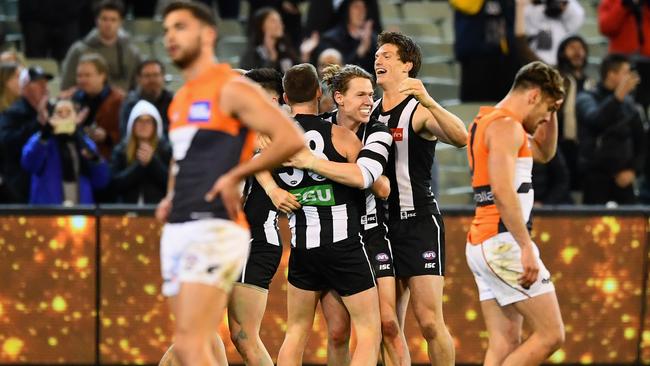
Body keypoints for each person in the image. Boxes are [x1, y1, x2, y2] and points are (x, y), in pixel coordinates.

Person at [156, 2, 303, 366]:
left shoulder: (235, 97)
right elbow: (184, 160)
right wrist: (172, 196)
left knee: (212, 336)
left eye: (180, 27)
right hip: (190, 226)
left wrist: (239, 175)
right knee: (203, 337)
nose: (170, 37)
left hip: (230, 231)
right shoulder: (183, 101)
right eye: (166, 29)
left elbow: (288, 139)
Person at [286, 63, 406, 365]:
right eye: (362, 95)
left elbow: (373, 183)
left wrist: (310, 161)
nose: (370, 101)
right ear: (338, 98)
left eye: (372, 94)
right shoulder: (323, 125)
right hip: (334, 238)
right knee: (338, 331)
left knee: (388, 323)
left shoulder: (378, 132)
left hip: (371, 233)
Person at [372, 31, 468, 365]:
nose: (378, 60)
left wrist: (429, 100)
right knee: (387, 326)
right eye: (377, 55)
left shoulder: (418, 110)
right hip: (379, 228)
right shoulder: (368, 112)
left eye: (387, 55)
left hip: (418, 224)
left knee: (429, 322)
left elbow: (461, 137)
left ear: (407, 65)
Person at [466, 61, 566, 365]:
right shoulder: (506, 127)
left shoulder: (487, 122)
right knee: (551, 334)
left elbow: (545, 153)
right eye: (547, 108)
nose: (546, 117)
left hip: (484, 242)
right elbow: (502, 190)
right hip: (503, 242)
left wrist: (554, 111)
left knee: (505, 339)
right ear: (533, 96)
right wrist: (525, 247)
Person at [227, 68, 286, 366]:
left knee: (245, 336)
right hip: (240, 240)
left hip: (256, 240)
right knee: (236, 335)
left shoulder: (279, 134)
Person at [576, 53, 646, 205]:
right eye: (626, 72)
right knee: (593, 227)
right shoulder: (586, 97)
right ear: (611, 74)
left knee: (631, 226)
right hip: (595, 178)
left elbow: (641, 142)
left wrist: (633, 171)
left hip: (624, 178)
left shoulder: (630, 105)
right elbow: (595, 120)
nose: (631, 77)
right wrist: (618, 96)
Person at [21, 99, 110, 205]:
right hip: (48, 210)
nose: (63, 115)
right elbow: (29, 164)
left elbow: (101, 181)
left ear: (76, 117)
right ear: (51, 117)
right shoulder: (41, 139)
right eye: (59, 112)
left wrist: (93, 158)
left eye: (68, 112)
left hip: (80, 212)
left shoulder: (85, 143)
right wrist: (45, 134)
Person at [61, 0, 143, 91]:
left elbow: (139, 86)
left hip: (125, 102)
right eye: (104, 19)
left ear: (120, 22)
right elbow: (66, 87)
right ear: (96, 21)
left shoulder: (132, 52)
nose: (108, 24)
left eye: (113, 20)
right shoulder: (79, 50)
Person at [0, 66, 52, 203]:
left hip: (47, 185)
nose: (44, 86)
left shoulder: (53, 111)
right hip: (20, 187)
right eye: (37, 83)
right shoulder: (12, 113)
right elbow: (7, 144)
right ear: (24, 88)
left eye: (45, 82)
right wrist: (37, 124)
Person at [111, 100, 171, 204]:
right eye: (139, 121)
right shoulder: (120, 151)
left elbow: (170, 183)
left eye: (148, 121)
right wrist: (140, 165)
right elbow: (115, 185)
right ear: (132, 125)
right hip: (126, 211)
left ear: (155, 125)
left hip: (156, 210)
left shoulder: (166, 150)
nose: (143, 125)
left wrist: (152, 162)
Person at [71, 53, 124, 161]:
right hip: (79, 158)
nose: (82, 80)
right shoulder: (75, 98)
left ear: (102, 76)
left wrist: (106, 137)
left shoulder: (119, 100)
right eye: (79, 76)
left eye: (87, 75)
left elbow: (126, 134)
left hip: (108, 158)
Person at [315, 0, 378, 75]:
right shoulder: (330, 39)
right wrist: (360, 51)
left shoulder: (373, 39)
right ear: (347, 10)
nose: (361, 12)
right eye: (356, 7)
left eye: (363, 8)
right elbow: (333, 71)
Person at [119, 59, 174, 138]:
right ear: (139, 79)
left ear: (163, 77)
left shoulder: (172, 102)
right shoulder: (130, 104)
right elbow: (126, 135)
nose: (152, 80)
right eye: (147, 76)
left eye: (156, 75)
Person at [523, 0, 584, 65]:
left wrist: (564, 4)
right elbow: (525, 17)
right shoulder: (533, 10)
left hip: (560, 63)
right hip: (535, 60)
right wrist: (543, 7)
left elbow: (578, 15)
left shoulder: (566, 18)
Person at [240, 7, 299, 74]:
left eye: (280, 21)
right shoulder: (251, 53)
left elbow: (299, 76)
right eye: (273, 21)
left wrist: (306, 55)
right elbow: (256, 79)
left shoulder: (286, 49)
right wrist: (272, 58)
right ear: (262, 25)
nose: (279, 24)